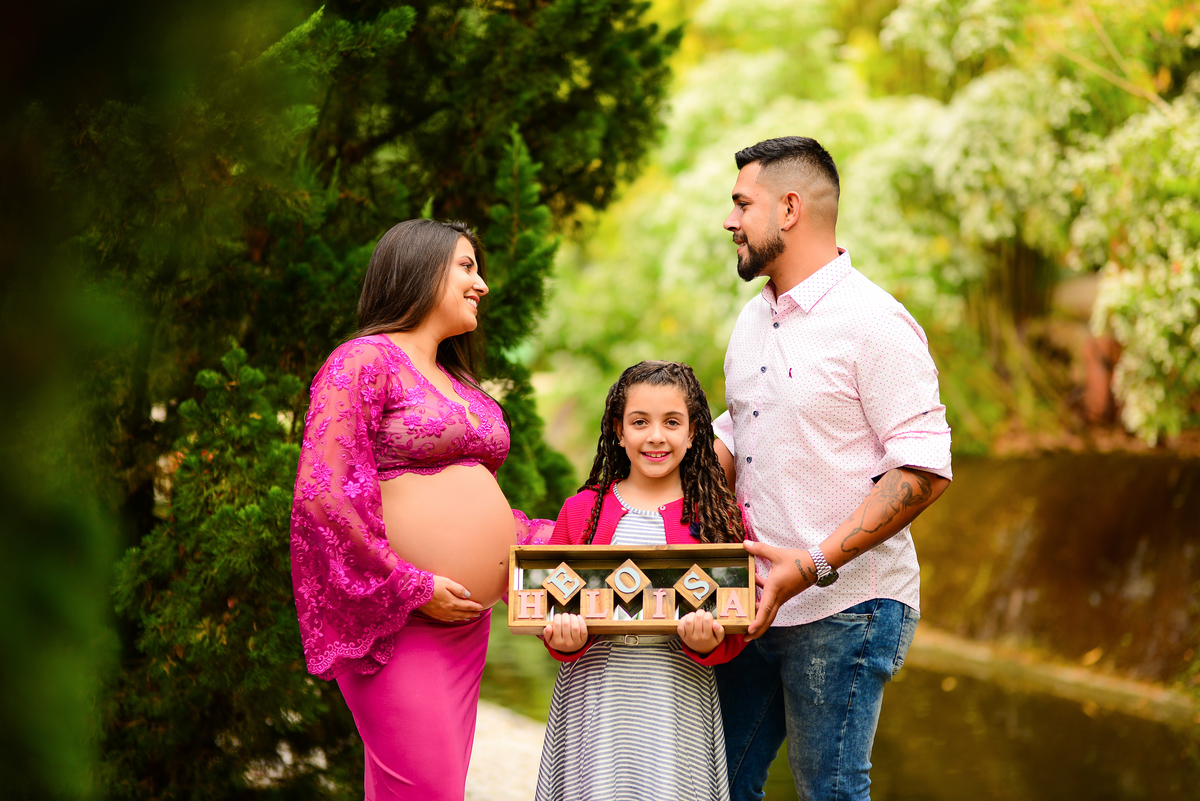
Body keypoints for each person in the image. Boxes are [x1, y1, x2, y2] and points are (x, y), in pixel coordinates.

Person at [711, 136, 953, 801]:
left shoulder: (875, 322)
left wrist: (811, 563)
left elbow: (924, 468)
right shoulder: (752, 319)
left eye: (742, 203)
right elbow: (741, 424)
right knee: (717, 782)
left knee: (831, 790)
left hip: (846, 603)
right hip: (756, 600)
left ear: (789, 208)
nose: (730, 220)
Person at [289, 219, 553, 801]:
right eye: (466, 266)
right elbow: (326, 495)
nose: (481, 284)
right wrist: (409, 584)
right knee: (429, 791)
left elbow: (478, 505)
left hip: (464, 628)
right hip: (399, 620)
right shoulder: (364, 361)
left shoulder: (456, 379)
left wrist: (555, 540)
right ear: (419, 268)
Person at [534, 361, 748, 801]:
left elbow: (736, 625)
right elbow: (549, 612)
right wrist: (565, 639)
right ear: (618, 429)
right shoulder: (581, 512)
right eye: (639, 422)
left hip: (675, 697)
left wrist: (707, 641)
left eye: (672, 422)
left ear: (693, 433)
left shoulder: (719, 519)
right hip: (596, 697)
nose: (655, 436)